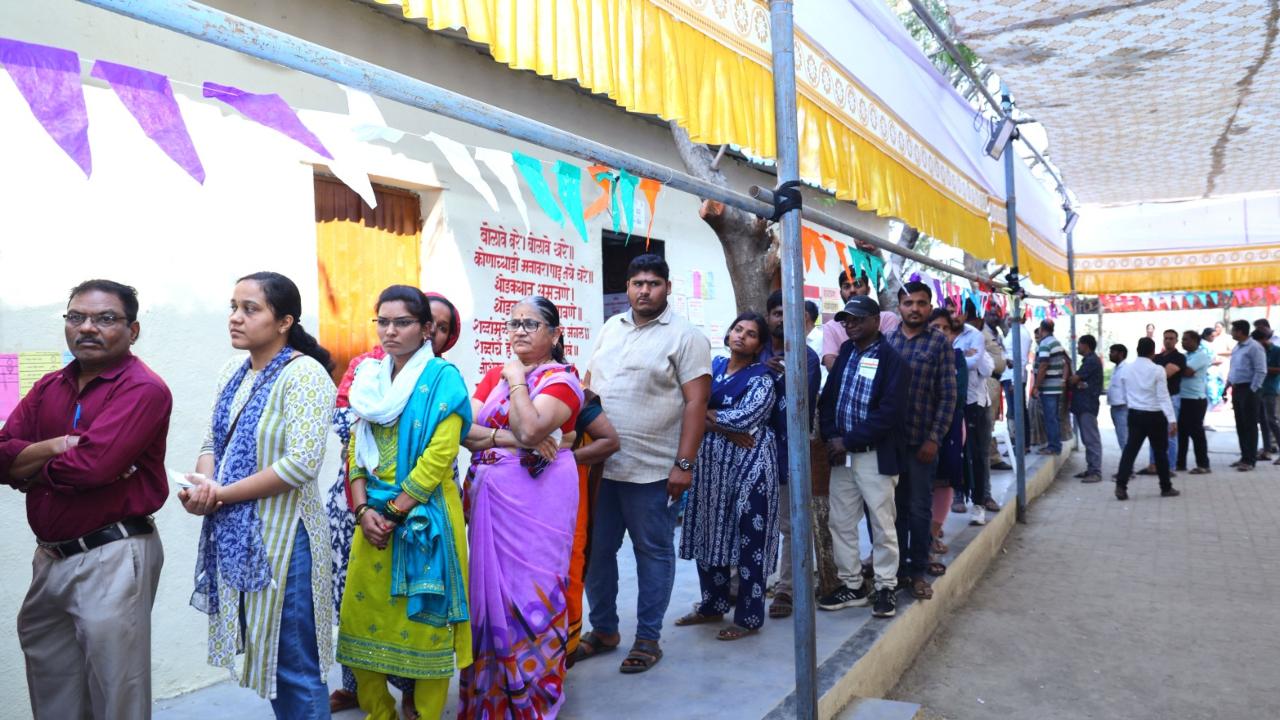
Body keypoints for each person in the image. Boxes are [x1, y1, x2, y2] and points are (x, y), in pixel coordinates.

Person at [0, 280, 172, 720]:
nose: (87, 328)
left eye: (105, 319)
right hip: (51, 559)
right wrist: (58, 445)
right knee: (52, 687)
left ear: (132, 331)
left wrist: (27, 467)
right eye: (77, 317)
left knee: (117, 695)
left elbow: (92, 468)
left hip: (111, 555)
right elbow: (2, 454)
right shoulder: (49, 386)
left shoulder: (142, 389)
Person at [180, 271, 337, 717]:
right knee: (269, 654)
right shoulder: (233, 371)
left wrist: (222, 494)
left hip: (288, 539)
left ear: (284, 320)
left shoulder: (304, 374)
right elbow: (215, 442)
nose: (236, 318)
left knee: (293, 662)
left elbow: (301, 464)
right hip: (241, 535)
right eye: (233, 307)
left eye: (250, 309)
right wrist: (203, 487)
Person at [335, 286, 472, 720]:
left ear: (427, 329)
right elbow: (355, 449)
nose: (390, 331)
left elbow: (439, 456)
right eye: (383, 321)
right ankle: (380, 713)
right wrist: (362, 511)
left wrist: (393, 512)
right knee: (359, 623)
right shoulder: (369, 378)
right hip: (370, 520)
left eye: (403, 322)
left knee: (426, 627)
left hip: (424, 519)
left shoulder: (442, 378)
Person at [577, 254, 711, 673]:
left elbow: (697, 402)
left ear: (667, 288)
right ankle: (603, 630)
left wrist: (684, 465)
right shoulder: (610, 327)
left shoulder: (686, 337)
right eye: (637, 283)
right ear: (628, 287)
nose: (644, 290)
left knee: (652, 552)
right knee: (597, 552)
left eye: (653, 283)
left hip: (652, 469)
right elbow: (587, 385)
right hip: (602, 467)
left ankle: (648, 638)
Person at [457, 296, 583, 717]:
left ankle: (535, 692)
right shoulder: (492, 375)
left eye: (532, 323)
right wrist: (505, 439)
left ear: (555, 334)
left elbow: (531, 426)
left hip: (540, 502)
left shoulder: (562, 379)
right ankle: (493, 697)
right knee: (491, 595)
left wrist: (516, 382)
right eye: (514, 323)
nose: (520, 330)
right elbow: (463, 430)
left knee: (535, 592)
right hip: (492, 501)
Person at [676, 312, 778, 640]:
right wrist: (720, 422)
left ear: (759, 344)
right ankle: (712, 604)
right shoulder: (713, 368)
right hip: (710, 471)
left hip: (750, 470)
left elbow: (748, 417)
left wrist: (706, 417)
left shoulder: (763, 377)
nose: (741, 336)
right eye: (737, 329)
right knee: (710, 534)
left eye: (750, 334)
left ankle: (748, 618)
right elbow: (684, 405)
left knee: (750, 541)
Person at [817, 296, 907, 619]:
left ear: (875, 320)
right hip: (842, 457)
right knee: (840, 521)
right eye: (846, 320)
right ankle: (852, 585)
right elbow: (828, 400)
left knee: (882, 524)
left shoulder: (892, 360)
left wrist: (849, 440)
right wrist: (831, 437)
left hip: (873, 455)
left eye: (857, 319)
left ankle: (885, 587)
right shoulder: (844, 354)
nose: (850, 325)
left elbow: (890, 414)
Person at [759, 290, 834, 619]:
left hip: (788, 454)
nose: (781, 319)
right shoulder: (755, 351)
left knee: (789, 525)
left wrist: (782, 374)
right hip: (750, 453)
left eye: (787, 314)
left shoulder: (806, 357)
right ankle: (749, 582)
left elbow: (802, 403)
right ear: (768, 317)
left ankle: (786, 589)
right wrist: (764, 370)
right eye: (776, 313)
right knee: (753, 523)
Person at [885, 282, 956, 600]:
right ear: (899, 306)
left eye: (921, 303)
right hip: (890, 443)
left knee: (918, 508)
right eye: (908, 302)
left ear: (930, 307)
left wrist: (934, 439)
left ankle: (917, 570)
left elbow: (948, 396)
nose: (915, 308)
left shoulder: (939, 343)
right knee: (893, 510)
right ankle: (895, 571)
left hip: (922, 444)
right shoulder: (887, 340)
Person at [565, 390, 620, 664]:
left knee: (566, 566)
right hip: (515, 505)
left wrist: (560, 461)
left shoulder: (572, 391)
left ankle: (563, 649)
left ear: (554, 343)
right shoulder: (502, 383)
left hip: (561, 498)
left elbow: (609, 441)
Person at [1114, 337, 1179, 501]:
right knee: (1160, 453)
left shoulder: (1126, 369)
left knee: (1130, 451)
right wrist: (1172, 420)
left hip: (1135, 414)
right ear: (1153, 352)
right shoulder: (1158, 370)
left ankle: (1121, 485)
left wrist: (1132, 405)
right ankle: (1166, 487)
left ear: (1137, 350)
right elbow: (1164, 396)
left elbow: (1123, 393)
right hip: (1155, 415)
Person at [953, 303, 995, 523]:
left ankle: (980, 501)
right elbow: (963, 362)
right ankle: (958, 494)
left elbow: (975, 364)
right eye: (950, 309)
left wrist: (954, 357)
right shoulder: (940, 332)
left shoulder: (974, 334)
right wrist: (960, 355)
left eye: (957, 310)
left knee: (978, 453)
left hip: (973, 402)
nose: (954, 314)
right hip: (948, 403)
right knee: (954, 453)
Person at [821, 269, 899, 370]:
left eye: (857, 285)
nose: (852, 290)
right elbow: (831, 364)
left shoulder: (887, 318)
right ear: (840, 293)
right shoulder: (831, 326)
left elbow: (889, 361)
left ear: (868, 289)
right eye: (846, 286)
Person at [1139, 330, 1185, 476]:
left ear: (1176, 340)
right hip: (1155, 400)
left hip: (1171, 399)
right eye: (1166, 338)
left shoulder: (1179, 357)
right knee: (1154, 433)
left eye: (1171, 338)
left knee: (1170, 433)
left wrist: (1151, 375)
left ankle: (1170, 467)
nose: (1168, 341)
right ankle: (1154, 465)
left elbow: (1166, 374)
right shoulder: (1157, 357)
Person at [1227, 321, 1267, 471]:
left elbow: (1261, 370)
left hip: (1249, 389)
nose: (1231, 333)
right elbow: (1234, 368)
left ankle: (1250, 460)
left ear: (1240, 332)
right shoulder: (1237, 347)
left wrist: (1253, 390)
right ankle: (1244, 456)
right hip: (1237, 389)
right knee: (1240, 425)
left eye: (1233, 330)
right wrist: (1228, 384)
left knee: (1250, 425)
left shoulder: (1254, 347)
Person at [1030, 319, 1070, 455]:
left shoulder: (1045, 344)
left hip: (1048, 387)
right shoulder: (1056, 342)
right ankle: (1053, 444)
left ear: (1041, 329)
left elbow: (1043, 365)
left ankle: (1053, 446)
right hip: (1055, 385)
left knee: (1050, 417)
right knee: (1052, 417)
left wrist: (1036, 385)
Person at [1176, 330, 1213, 474]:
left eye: (1186, 340)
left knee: (1196, 432)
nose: (1183, 342)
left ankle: (1203, 464)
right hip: (1182, 398)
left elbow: (1187, 372)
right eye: (1182, 340)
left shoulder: (1201, 356)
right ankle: (1180, 463)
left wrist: (1175, 368)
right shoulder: (1185, 356)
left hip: (1195, 400)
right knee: (1182, 433)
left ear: (1195, 341)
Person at [1069, 335, 1103, 482]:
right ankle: (1091, 469)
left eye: (1079, 344)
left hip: (1087, 405)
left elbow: (1074, 379)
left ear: (1086, 345)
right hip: (1083, 404)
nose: (1077, 347)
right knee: (1087, 438)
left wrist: (1074, 381)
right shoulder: (1090, 361)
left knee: (1091, 439)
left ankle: (1095, 471)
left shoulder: (1091, 361)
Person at [1001, 313, 1033, 457]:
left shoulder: (1021, 333)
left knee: (1018, 413)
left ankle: (1021, 445)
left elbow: (1021, 360)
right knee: (1015, 412)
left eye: (1010, 315)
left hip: (1014, 378)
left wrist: (1015, 381)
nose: (1007, 318)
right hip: (1009, 377)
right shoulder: (1014, 331)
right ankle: (1020, 444)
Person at [1255, 328, 1280, 461]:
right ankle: (1266, 450)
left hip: (1271, 389)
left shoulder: (1276, 351)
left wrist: (1263, 369)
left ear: (1264, 339)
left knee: (1272, 421)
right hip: (1259, 389)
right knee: (1263, 422)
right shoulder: (1260, 351)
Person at [1107, 344, 1131, 452]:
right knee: (1122, 438)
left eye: (1112, 352)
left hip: (1123, 407)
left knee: (1124, 439)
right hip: (1114, 407)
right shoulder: (1116, 368)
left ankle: (1128, 467)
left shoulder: (1126, 369)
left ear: (1120, 354)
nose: (1110, 354)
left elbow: (1130, 389)